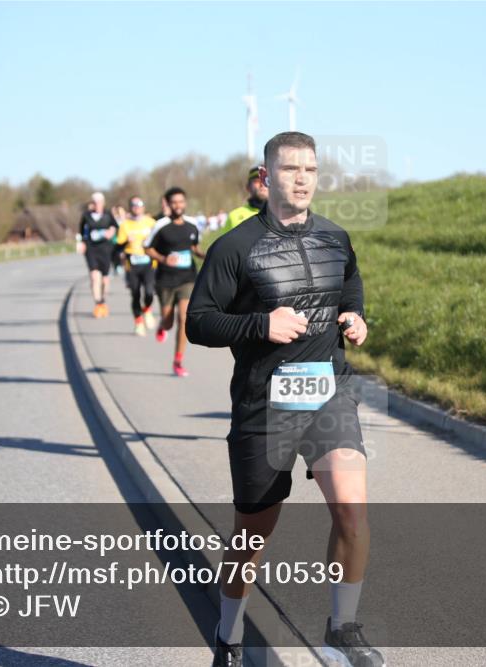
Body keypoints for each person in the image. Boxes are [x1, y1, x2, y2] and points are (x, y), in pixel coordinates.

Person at [186, 132, 382, 667]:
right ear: (266, 177)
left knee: (352, 511)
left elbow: (350, 284)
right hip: (264, 406)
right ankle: (229, 636)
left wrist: (355, 316)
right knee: (252, 536)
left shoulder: (336, 237)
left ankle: (342, 629)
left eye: (310, 170)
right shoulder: (234, 248)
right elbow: (199, 322)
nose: (302, 179)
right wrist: (260, 324)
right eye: (291, 169)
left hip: (329, 394)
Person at [144, 186, 204, 377]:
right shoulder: (160, 225)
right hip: (165, 280)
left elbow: (194, 247)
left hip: (188, 278)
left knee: (184, 318)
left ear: (185, 203)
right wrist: (163, 259)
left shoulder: (192, 224)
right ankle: (162, 326)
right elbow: (147, 248)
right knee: (169, 322)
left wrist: (204, 255)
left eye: (181, 201)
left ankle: (178, 361)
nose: (178, 205)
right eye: (174, 202)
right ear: (168, 204)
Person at [115, 196, 158, 335]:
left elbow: (160, 240)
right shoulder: (125, 225)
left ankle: (147, 309)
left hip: (149, 263)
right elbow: (117, 246)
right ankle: (138, 322)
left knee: (149, 292)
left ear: (143, 207)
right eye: (134, 205)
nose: (137, 207)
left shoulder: (151, 223)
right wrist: (126, 241)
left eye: (139, 205)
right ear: (130, 208)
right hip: (132, 264)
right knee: (135, 293)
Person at [77, 192, 118, 318]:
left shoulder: (108, 214)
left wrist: (111, 232)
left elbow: (115, 227)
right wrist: (81, 243)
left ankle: (103, 301)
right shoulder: (86, 215)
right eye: (95, 202)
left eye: (99, 202)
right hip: (91, 248)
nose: (97, 205)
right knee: (94, 276)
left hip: (105, 248)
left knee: (104, 279)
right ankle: (98, 303)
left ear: (103, 203)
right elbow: (82, 231)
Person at [221, 165, 268, 231]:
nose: (262, 184)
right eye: (257, 181)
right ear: (248, 187)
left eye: (266, 180)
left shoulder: (281, 216)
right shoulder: (234, 217)